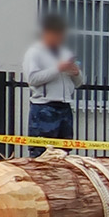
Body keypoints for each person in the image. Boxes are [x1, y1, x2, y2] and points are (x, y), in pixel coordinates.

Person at [21, 14, 81, 144]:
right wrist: (57, 68)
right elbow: (33, 79)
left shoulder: (65, 53)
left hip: (65, 107)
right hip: (44, 107)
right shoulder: (34, 53)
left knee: (64, 150)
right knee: (42, 150)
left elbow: (78, 83)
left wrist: (76, 74)